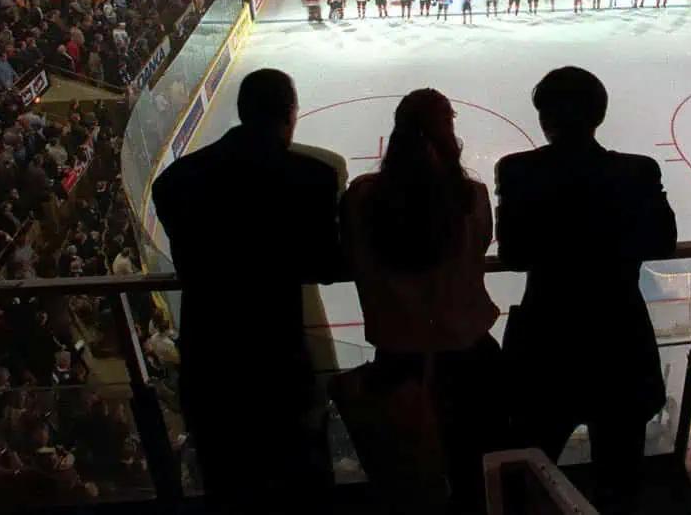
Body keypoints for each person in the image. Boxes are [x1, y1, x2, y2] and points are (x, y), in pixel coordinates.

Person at [152, 70, 344, 512]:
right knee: (301, 484)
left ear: (240, 112)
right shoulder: (312, 177)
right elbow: (328, 265)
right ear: (291, 114)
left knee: (229, 486)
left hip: (210, 366)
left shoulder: (175, 181)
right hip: (279, 366)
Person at [496, 68, 678, 514]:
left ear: (544, 119)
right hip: (620, 346)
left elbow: (514, 255)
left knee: (527, 476)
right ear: (599, 115)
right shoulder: (638, 172)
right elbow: (662, 242)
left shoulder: (518, 171)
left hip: (546, 346)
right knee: (620, 483)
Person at [340, 89, 503, 513]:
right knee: (474, 478)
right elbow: (478, 248)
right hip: (469, 361)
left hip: (397, 365)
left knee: (406, 482)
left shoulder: (360, 199)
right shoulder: (473, 198)